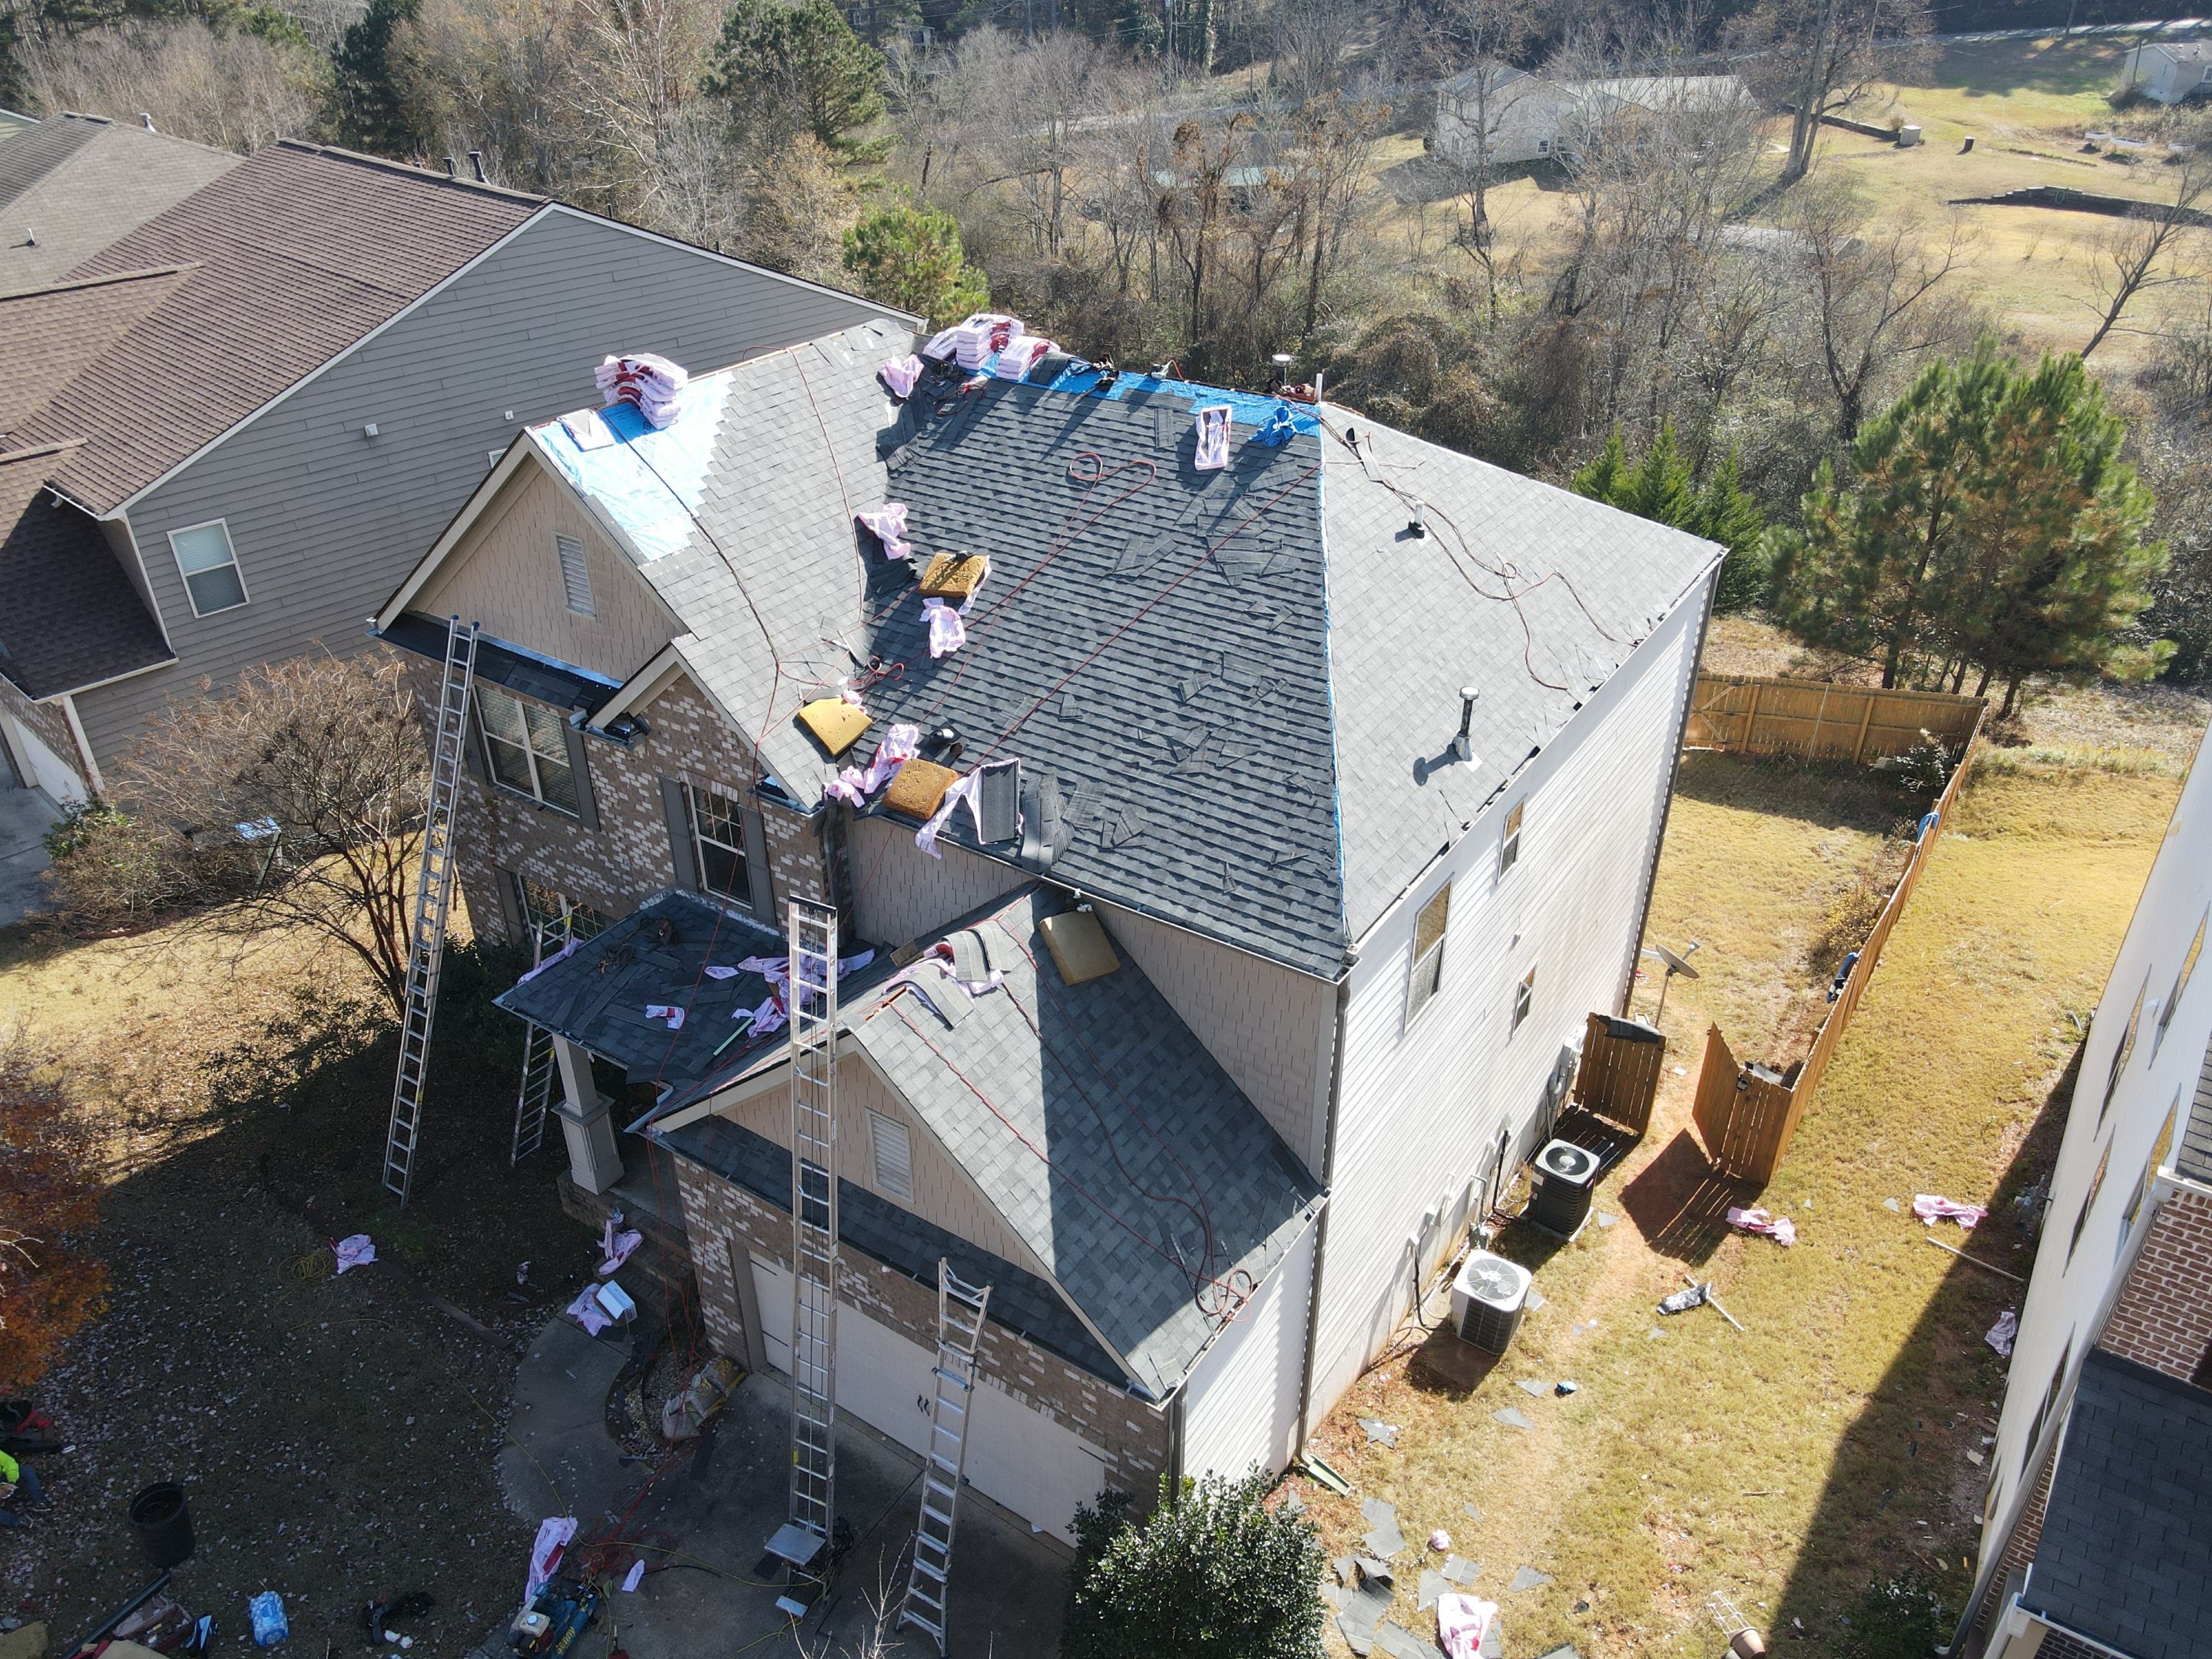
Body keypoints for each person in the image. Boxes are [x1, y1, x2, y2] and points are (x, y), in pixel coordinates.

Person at [0, 1445, 49, 1526]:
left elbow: (10, 1463)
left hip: (3, 1478)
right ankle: (17, 1521)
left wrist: (11, 1482)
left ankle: (40, 1502)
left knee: (27, 1471)